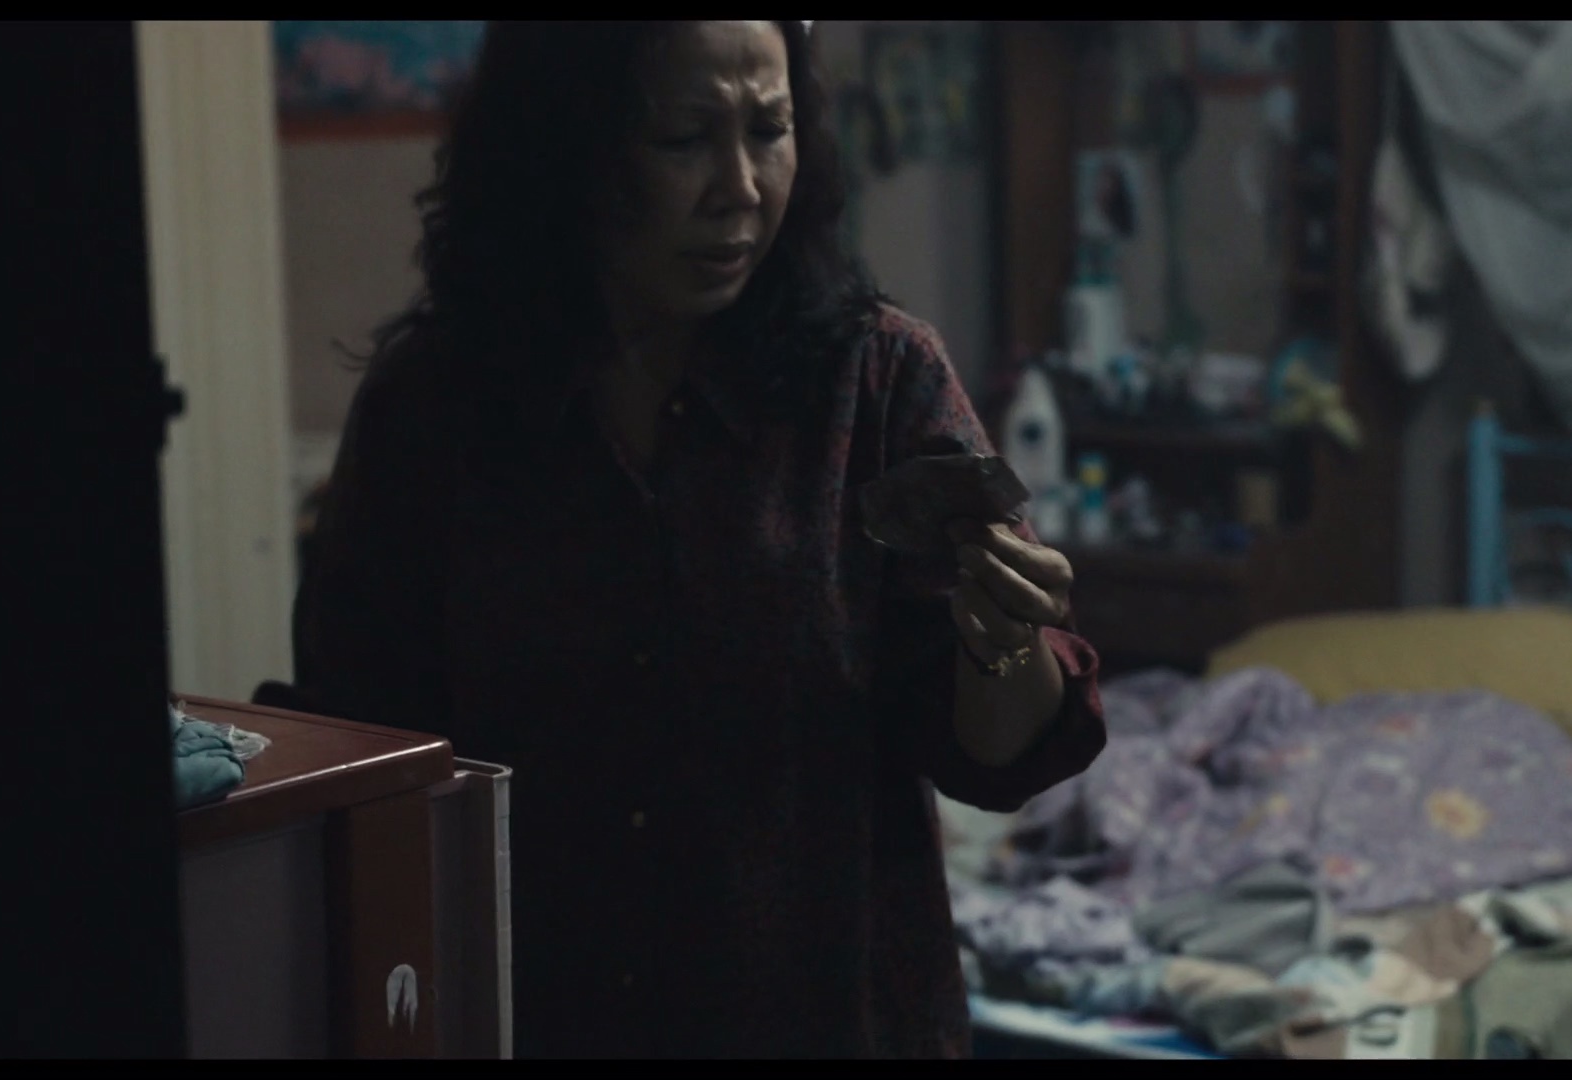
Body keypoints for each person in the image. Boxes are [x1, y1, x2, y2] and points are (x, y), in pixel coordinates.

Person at [291, 21, 1107, 1058]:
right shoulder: (435, 408)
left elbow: (996, 759)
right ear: (566, 144)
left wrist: (1003, 640)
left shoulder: (877, 382)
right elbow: (360, 745)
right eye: (683, 138)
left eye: (770, 130)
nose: (741, 189)